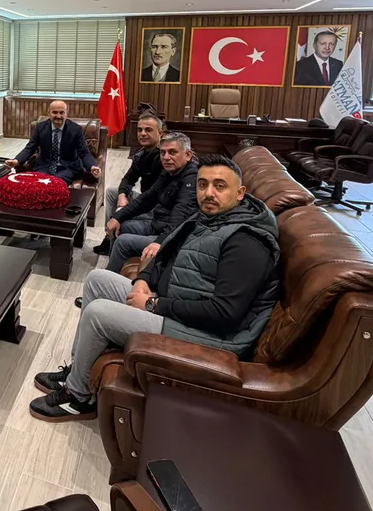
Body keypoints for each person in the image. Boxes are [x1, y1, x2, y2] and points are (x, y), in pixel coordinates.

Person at [30, 154, 280, 422]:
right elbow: (165, 255)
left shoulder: (247, 242)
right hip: (179, 302)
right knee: (97, 280)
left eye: (220, 186)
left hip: (210, 334)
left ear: (240, 193)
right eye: (202, 184)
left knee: (98, 313)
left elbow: (225, 314)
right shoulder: (209, 217)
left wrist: (153, 304)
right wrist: (143, 281)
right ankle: (78, 371)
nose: (209, 193)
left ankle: (78, 397)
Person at [97, 132, 199, 285]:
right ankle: (112, 272)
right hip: (157, 224)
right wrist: (117, 217)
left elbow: (180, 215)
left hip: (171, 238)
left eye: (172, 152)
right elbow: (146, 199)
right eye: (163, 152)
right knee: (122, 226)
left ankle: (104, 286)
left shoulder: (192, 177)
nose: (166, 157)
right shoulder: (169, 171)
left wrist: (160, 242)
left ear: (188, 155)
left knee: (123, 242)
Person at [93, 113, 165, 255]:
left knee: (121, 214)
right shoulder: (141, 153)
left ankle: (112, 238)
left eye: (148, 130)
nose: (142, 133)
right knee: (113, 192)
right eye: (140, 130)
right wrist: (122, 195)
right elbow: (128, 178)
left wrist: (122, 213)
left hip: (157, 205)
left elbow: (152, 195)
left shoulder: (164, 156)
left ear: (160, 133)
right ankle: (109, 236)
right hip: (145, 197)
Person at [4, 100, 102, 184]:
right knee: (38, 183)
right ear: (49, 113)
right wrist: (16, 161)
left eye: (62, 112)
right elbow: (30, 148)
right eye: (55, 112)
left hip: (67, 168)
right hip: (44, 166)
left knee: (54, 182)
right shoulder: (40, 127)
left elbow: (84, 153)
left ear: (66, 114)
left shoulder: (76, 129)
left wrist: (92, 166)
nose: (58, 116)